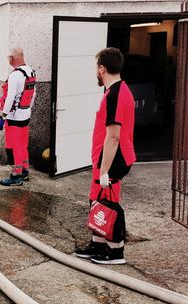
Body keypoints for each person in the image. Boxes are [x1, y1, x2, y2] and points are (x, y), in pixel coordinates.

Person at [75, 47, 136, 265]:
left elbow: (113, 137)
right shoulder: (114, 91)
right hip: (104, 160)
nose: (95, 72)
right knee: (97, 202)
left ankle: (115, 252)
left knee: (109, 205)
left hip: (112, 161)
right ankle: (97, 245)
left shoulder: (117, 95)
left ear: (102, 69)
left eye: (96, 67)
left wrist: (104, 171)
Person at [0, 47, 36, 186]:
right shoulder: (30, 71)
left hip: (14, 117)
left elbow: (10, 97)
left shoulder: (15, 75)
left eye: (8, 57)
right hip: (25, 115)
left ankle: (16, 176)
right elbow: (33, 94)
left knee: (14, 147)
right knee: (22, 145)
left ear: (12, 58)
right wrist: (27, 109)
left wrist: (3, 117)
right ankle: (25, 172)